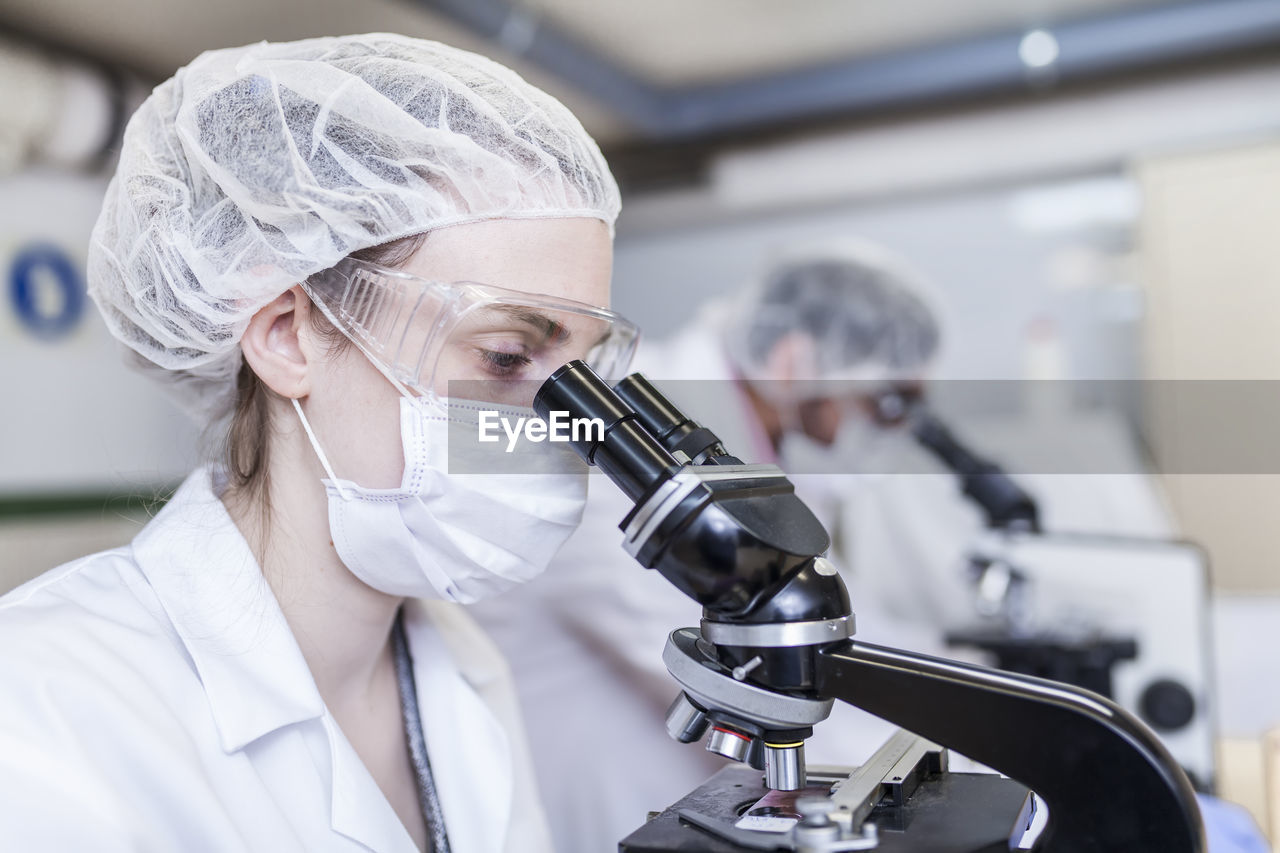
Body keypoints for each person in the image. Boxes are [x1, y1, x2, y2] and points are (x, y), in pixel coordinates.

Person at [0, 34, 637, 853]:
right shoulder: (42, 704)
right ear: (288, 339)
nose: (562, 422)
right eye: (507, 356)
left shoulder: (464, 665)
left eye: (583, 373)